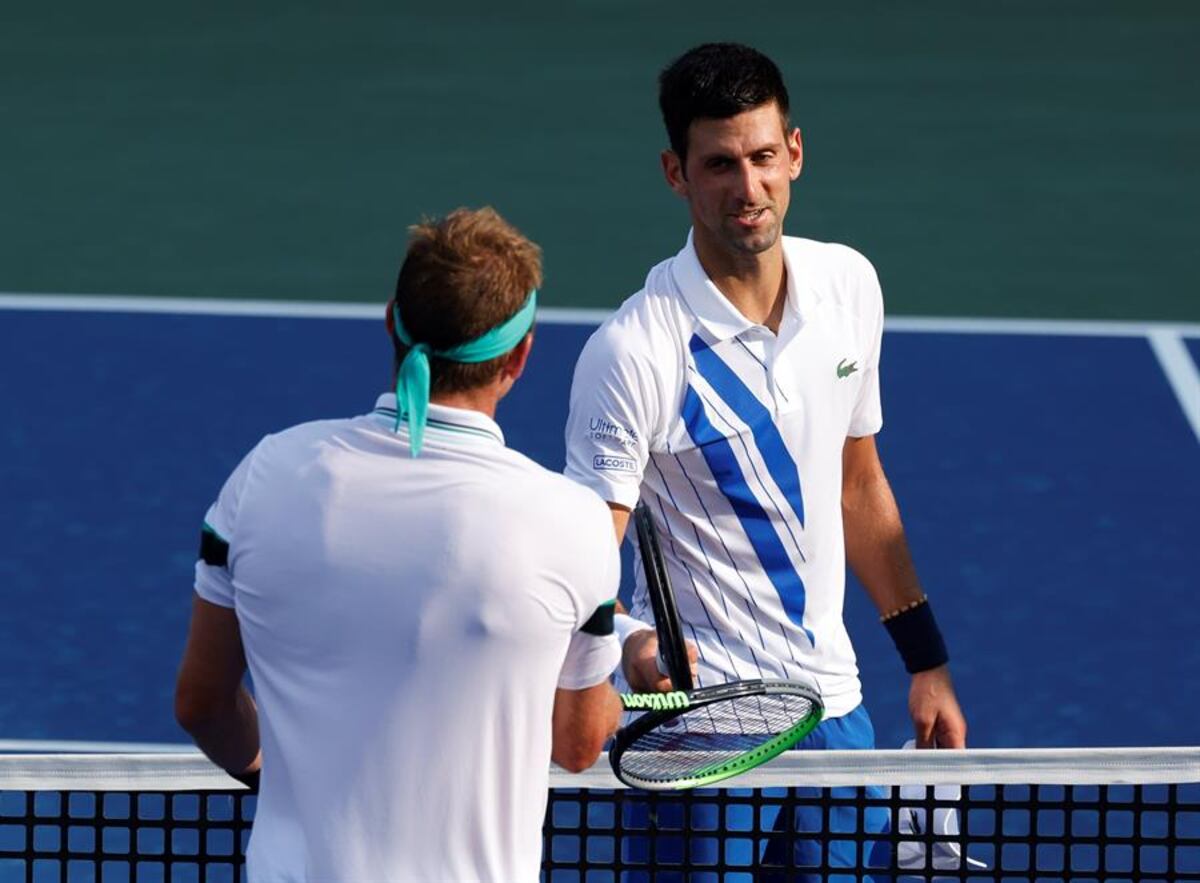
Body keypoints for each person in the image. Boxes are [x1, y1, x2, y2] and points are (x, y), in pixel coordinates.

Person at [563, 43, 967, 876]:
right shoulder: (636, 352)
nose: (748, 189)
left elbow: (860, 487)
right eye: (719, 165)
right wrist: (634, 645)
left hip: (836, 705)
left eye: (762, 157)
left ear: (795, 152)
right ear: (676, 173)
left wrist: (926, 662)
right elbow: (578, 557)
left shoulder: (848, 285)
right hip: (705, 729)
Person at [175, 207, 623, 882]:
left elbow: (201, 703)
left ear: (392, 321)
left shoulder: (263, 477)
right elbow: (578, 741)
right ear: (522, 355)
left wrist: (279, 775)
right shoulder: (573, 521)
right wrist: (623, 670)